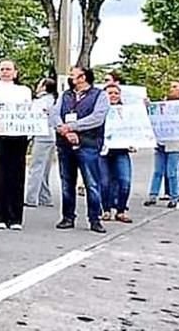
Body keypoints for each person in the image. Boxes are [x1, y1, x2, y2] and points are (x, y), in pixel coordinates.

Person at [52, 66, 110, 233]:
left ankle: (94, 218)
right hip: (65, 144)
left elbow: (97, 118)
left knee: (91, 182)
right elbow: (55, 114)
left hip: (89, 143)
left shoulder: (100, 95)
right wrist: (63, 129)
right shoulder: (66, 95)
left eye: (74, 75)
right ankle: (68, 216)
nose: (71, 77)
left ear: (83, 77)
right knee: (66, 182)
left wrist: (72, 127)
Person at [0, 60, 33, 231]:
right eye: (2, 69)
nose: (5, 72)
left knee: (16, 177)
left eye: (9, 69)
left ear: (15, 72)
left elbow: (29, 111)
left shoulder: (24, 91)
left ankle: (15, 217)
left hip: (18, 137)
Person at [99, 83, 133, 223]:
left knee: (125, 181)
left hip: (121, 151)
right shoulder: (98, 111)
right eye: (110, 93)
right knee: (104, 182)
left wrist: (135, 142)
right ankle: (106, 210)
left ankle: (121, 210)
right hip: (103, 151)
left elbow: (135, 128)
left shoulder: (127, 112)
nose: (113, 96)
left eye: (116, 93)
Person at [24, 78, 58, 208]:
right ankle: (45, 197)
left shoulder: (40, 102)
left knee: (36, 167)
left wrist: (28, 136)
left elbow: (33, 118)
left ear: (44, 87)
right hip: (51, 136)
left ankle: (31, 198)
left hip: (41, 135)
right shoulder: (54, 100)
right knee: (45, 168)